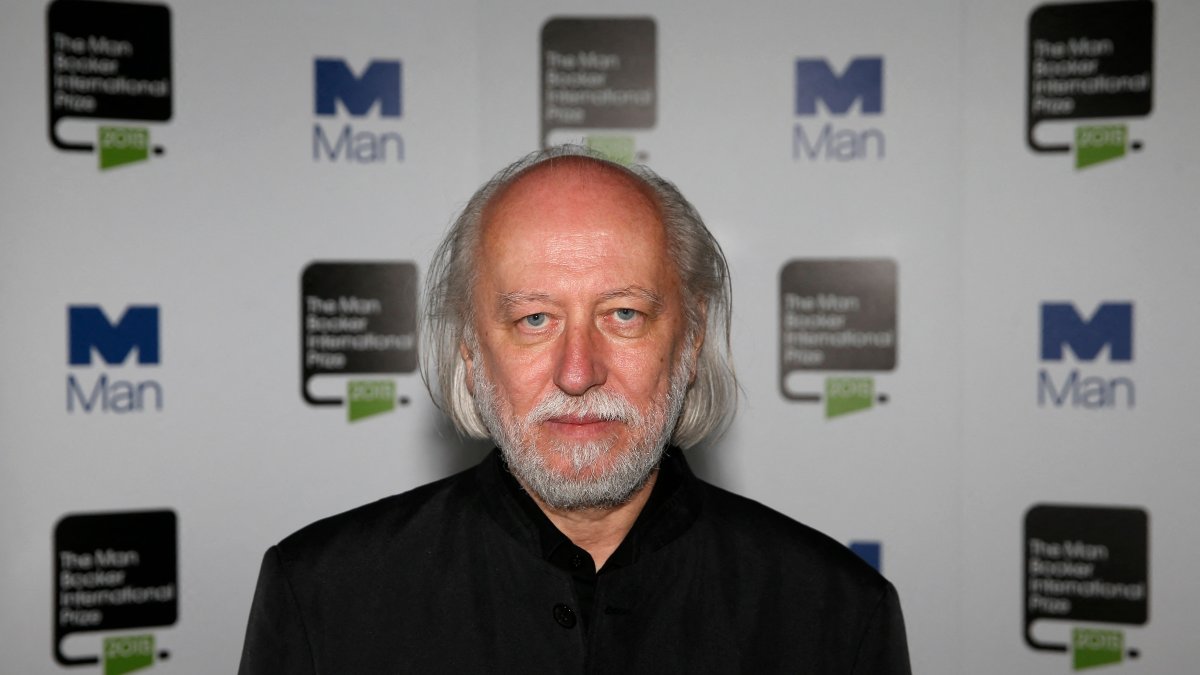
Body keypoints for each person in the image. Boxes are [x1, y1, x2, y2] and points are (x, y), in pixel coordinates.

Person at [238, 146, 911, 674]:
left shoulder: (837, 615)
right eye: (534, 318)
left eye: (624, 313)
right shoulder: (323, 596)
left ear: (693, 336)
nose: (578, 371)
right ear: (470, 348)